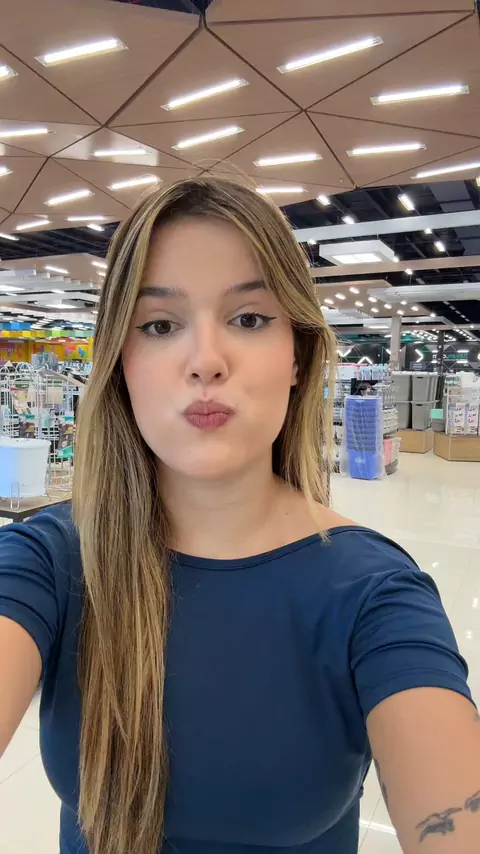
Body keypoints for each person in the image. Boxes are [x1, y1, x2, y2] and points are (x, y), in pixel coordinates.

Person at [0, 176, 478, 854]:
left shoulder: (374, 595)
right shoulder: (48, 562)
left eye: (249, 319)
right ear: (120, 364)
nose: (205, 362)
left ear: (297, 356)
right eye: (159, 325)